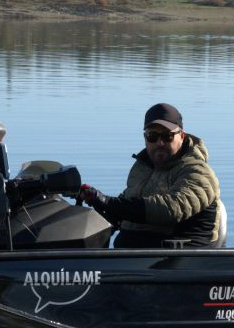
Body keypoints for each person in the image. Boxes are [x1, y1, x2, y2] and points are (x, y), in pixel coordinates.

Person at [79, 103, 221, 248]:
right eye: (152, 136)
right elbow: (127, 210)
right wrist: (96, 200)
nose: (160, 143)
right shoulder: (142, 168)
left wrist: (107, 201)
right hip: (134, 260)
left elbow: (172, 209)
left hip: (180, 260)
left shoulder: (198, 171)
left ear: (182, 136)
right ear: (145, 137)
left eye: (167, 136)